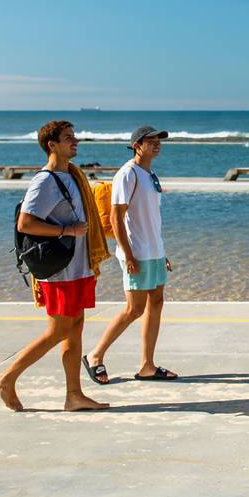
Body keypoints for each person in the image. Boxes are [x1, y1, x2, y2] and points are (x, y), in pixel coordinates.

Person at [0, 120, 111, 412]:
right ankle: (7, 378)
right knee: (59, 331)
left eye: (75, 137)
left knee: (75, 328)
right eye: (69, 138)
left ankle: (74, 395)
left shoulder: (71, 175)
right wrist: (67, 231)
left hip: (77, 267)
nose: (76, 141)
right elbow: (26, 222)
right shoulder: (46, 181)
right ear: (52, 144)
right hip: (60, 271)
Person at [84, 126, 177, 384]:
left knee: (156, 303)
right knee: (134, 309)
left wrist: (161, 251)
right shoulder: (127, 174)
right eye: (150, 141)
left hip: (153, 251)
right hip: (136, 251)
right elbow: (116, 217)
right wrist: (128, 255)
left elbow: (151, 218)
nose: (156, 144)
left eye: (158, 141)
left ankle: (147, 365)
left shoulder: (150, 174)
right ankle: (95, 355)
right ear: (136, 145)